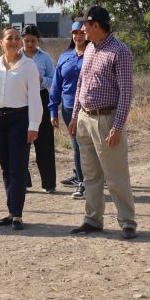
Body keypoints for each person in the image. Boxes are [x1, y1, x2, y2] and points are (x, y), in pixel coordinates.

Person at [67, 5, 138, 240]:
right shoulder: (89, 49)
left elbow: (126, 93)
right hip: (86, 119)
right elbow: (81, 85)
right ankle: (93, 219)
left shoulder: (120, 52)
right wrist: (76, 115)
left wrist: (117, 126)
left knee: (116, 176)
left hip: (107, 120)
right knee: (90, 176)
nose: (82, 29)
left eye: (85, 24)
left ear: (95, 25)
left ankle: (127, 222)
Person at [0, 26, 43, 230]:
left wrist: (33, 125)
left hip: (19, 119)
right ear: (1, 42)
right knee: (5, 167)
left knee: (17, 167)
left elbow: (35, 98)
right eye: (10, 38)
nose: (14, 41)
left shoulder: (29, 66)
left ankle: (18, 214)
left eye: (17, 38)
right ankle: (10, 211)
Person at [49, 21, 89, 199]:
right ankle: (82, 183)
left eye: (81, 32)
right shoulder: (65, 57)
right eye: (75, 33)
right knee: (77, 146)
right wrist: (53, 110)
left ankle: (95, 179)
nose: (78, 36)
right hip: (68, 108)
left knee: (93, 147)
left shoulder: (94, 54)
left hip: (90, 108)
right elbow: (56, 86)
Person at [20, 24, 57, 193]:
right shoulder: (15, 55)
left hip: (41, 98)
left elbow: (55, 80)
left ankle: (48, 183)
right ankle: (23, 181)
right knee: (20, 142)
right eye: (26, 40)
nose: (29, 44)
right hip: (20, 100)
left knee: (44, 142)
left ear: (38, 40)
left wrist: (41, 80)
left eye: (33, 41)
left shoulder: (45, 57)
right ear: (22, 40)